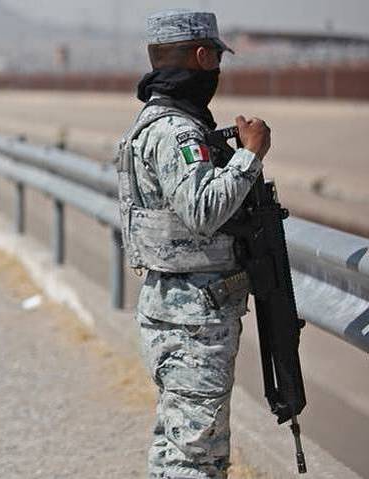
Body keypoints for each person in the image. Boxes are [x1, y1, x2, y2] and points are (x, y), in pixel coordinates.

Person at [115, 9, 272, 479]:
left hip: (173, 307)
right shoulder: (178, 132)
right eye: (216, 59)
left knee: (175, 444)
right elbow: (203, 210)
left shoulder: (151, 122)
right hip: (195, 318)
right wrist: (249, 155)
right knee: (197, 455)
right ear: (203, 56)